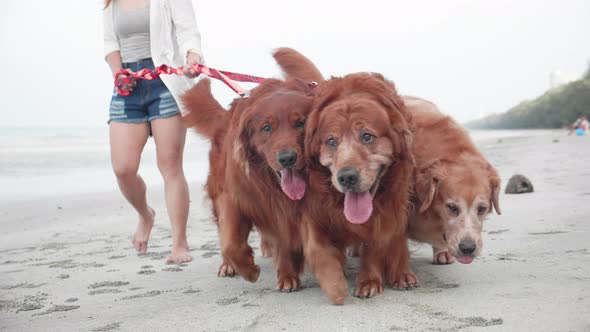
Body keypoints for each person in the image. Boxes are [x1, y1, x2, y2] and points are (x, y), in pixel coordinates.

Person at [103, 0, 203, 263]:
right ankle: (145, 215)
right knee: (123, 168)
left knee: (170, 165)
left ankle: (179, 243)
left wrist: (193, 55)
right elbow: (110, 44)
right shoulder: (109, 3)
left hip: (164, 82)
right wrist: (117, 74)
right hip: (127, 86)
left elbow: (187, 30)